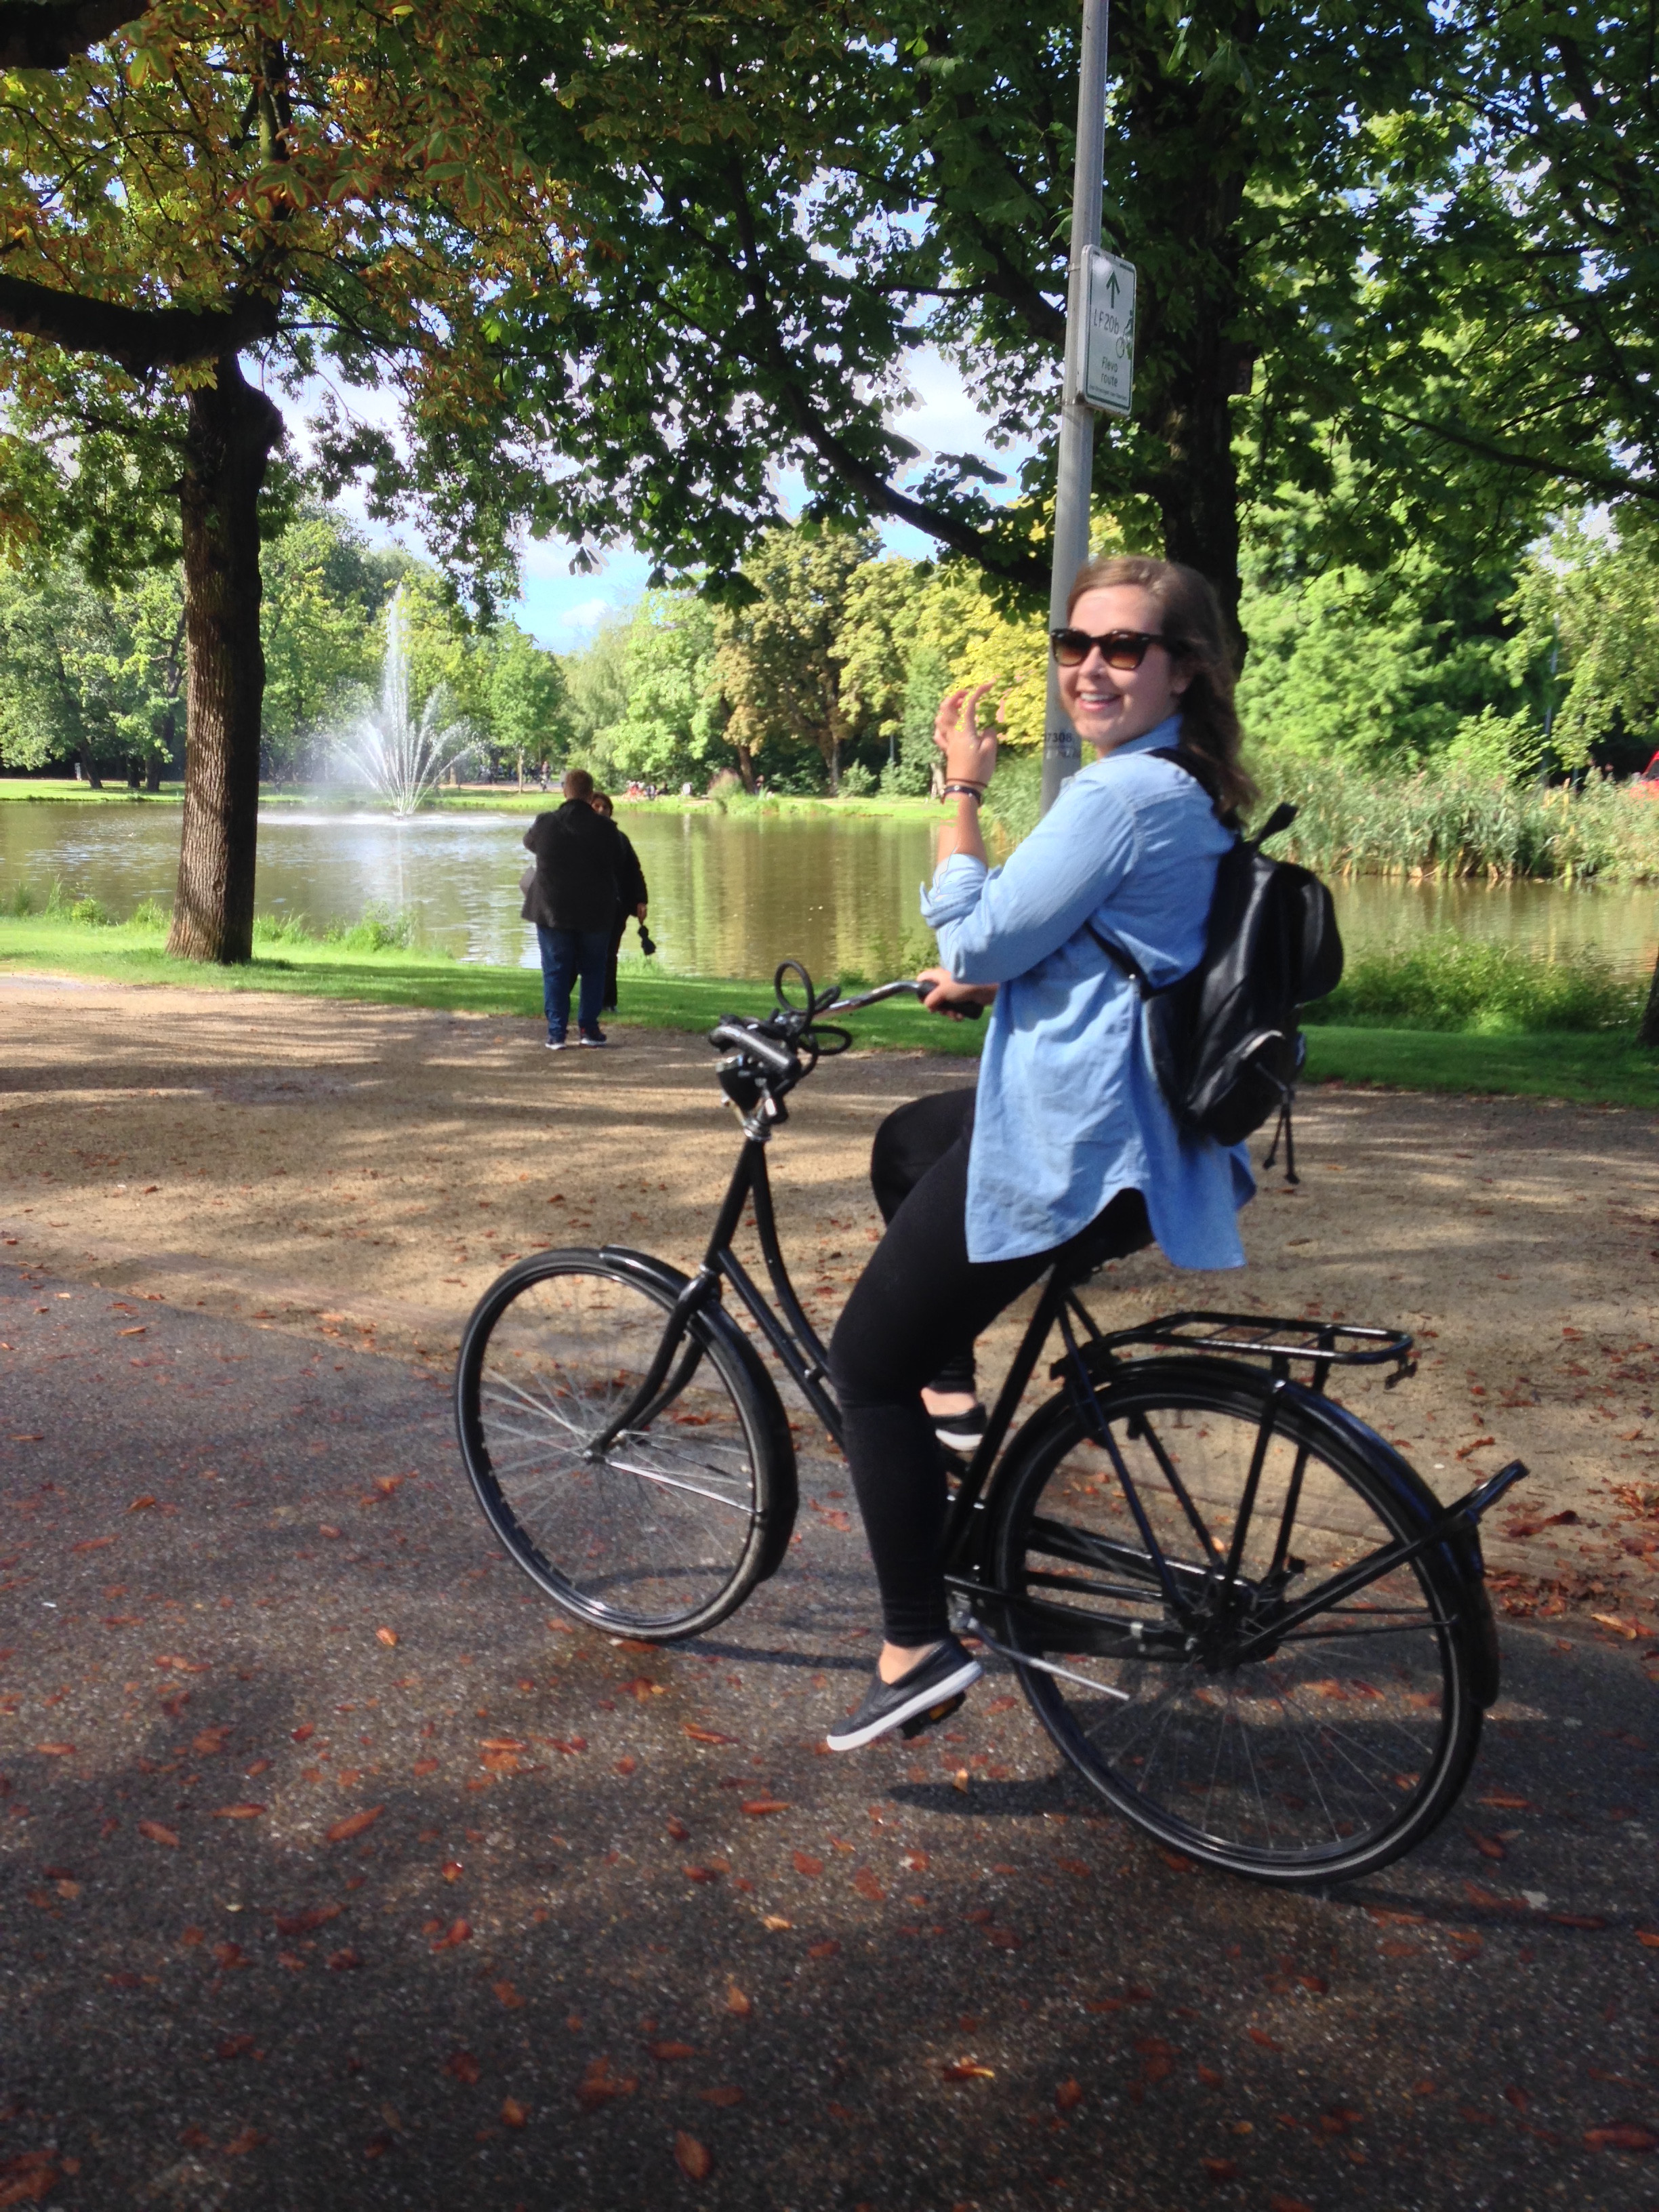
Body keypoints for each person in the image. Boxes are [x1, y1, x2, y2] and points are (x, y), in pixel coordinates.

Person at [823, 554, 1259, 1750]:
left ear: (1182, 668)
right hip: (1137, 1130)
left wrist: (959, 791)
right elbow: (1108, 945)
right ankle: (954, 1399)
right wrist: (995, 981)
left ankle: (914, 1647)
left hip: (1076, 1142)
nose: (1091, 667)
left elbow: (974, 927)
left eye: (1123, 647)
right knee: (908, 1142)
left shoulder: (1118, 796)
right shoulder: (1189, 786)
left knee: (861, 1364)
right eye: (1075, 644)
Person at [520, 767, 620, 1048]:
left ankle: (556, 1033)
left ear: (565, 791)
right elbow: (618, 856)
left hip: (553, 909)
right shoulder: (606, 828)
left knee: (555, 970)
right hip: (595, 910)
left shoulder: (546, 823)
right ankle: (589, 1029)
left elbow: (529, 843)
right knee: (593, 970)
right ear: (591, 794)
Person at [589, 791, 650, 1012]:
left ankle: (608, 1002)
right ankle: (564, 1002)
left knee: (609, 954)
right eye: (596, 806)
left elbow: (634, 870)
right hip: (587, 907)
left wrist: (640, 901)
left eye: (605, 807)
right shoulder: (580, 837)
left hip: (616, 907)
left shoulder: (620, 839)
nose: (601, 810)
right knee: (582, 955)